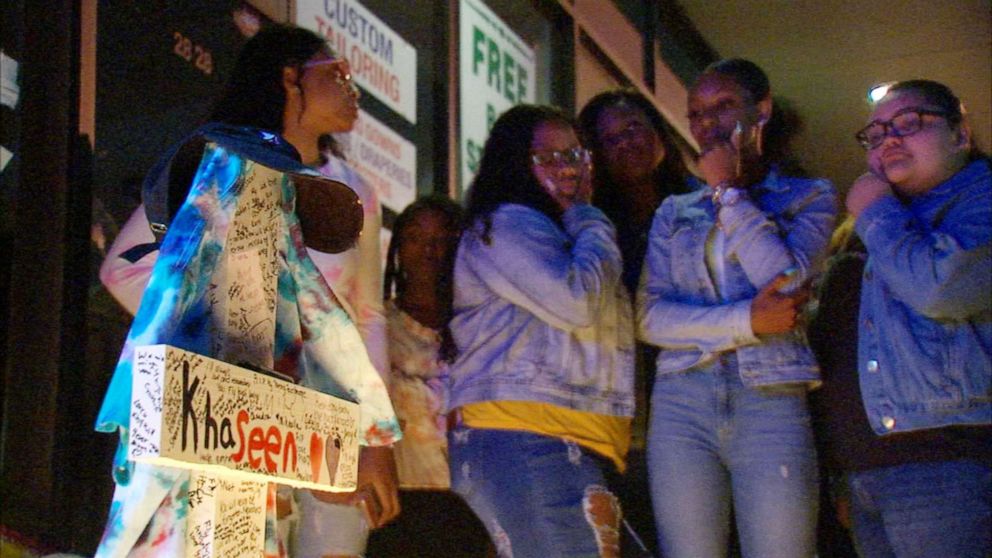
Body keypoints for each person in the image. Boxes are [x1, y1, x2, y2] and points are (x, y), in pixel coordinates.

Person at [96, 24, 400, 558]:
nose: (353, 88)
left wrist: (374, 435)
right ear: (290, 77)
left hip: (314, 424)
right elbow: (123, 269)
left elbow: (365, 316)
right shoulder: (219, 165)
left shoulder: (353, 193)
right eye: (338, 73)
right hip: (220, 409)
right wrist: (205, 321)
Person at [637, 58, 836, 557]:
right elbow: (649, 316)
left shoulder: (808, 195)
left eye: (723, 107)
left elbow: (786, 281)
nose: (708, 124)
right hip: (683, 398)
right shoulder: (675, 211)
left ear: (761, 109)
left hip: (769, 395)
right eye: (697, 114)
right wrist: (747, 320)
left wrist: (728, 193)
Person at [445, 104, 635, 557]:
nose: (565, 168)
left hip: (556, 434)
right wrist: (588, 215)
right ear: (513, 162)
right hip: (527, 434)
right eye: (546, 156)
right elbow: (577, 301)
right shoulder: (508, 223)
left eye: (573, 154)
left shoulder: (564, 233)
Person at [834, 79, 991, 557]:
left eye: (908, 124)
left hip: (946, 461)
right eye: (877, 134)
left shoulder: (978, 199)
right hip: (870, 465)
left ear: (960, 135)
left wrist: (875, 209)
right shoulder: (874, 228)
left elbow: (942, 288)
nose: (890, 140)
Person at [577, 88, 691, 554]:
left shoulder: (705, 205)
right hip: (628, 415)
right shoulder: (593, 226)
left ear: (660, 133)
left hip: (702, 398)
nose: (624, 144)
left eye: (633, 129)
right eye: (608, 140)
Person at [365, 195, 494, 556]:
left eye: (442, 239)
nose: (429, 250)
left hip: (473, 502)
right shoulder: (377, 326)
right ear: (399, 247)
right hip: (397, 498)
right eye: (416, 238)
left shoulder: (479, 326)